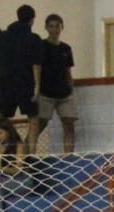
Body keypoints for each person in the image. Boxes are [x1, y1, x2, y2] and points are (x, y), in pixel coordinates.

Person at [0, 5, 45, 154]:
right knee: (33, 119)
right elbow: (36, 65)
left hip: (5, 82)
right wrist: (37, 85)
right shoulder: (34, 39)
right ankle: (32, 154)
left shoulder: (2, 37)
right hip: (26, 82)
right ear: (32, 20)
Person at [35, 14, 78, 155]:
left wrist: (71, 89)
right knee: (40, 124)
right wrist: (37, 87)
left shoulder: (66, 48)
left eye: (57, 26)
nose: (54, 29)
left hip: (64, 93)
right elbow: (37, 68)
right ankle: (28, 155)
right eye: (51, 26)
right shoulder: (41, 46)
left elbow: (68, 71)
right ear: (46, 28)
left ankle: (69, 157)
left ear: (62, 27)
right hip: (46, 93)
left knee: (69, 124)